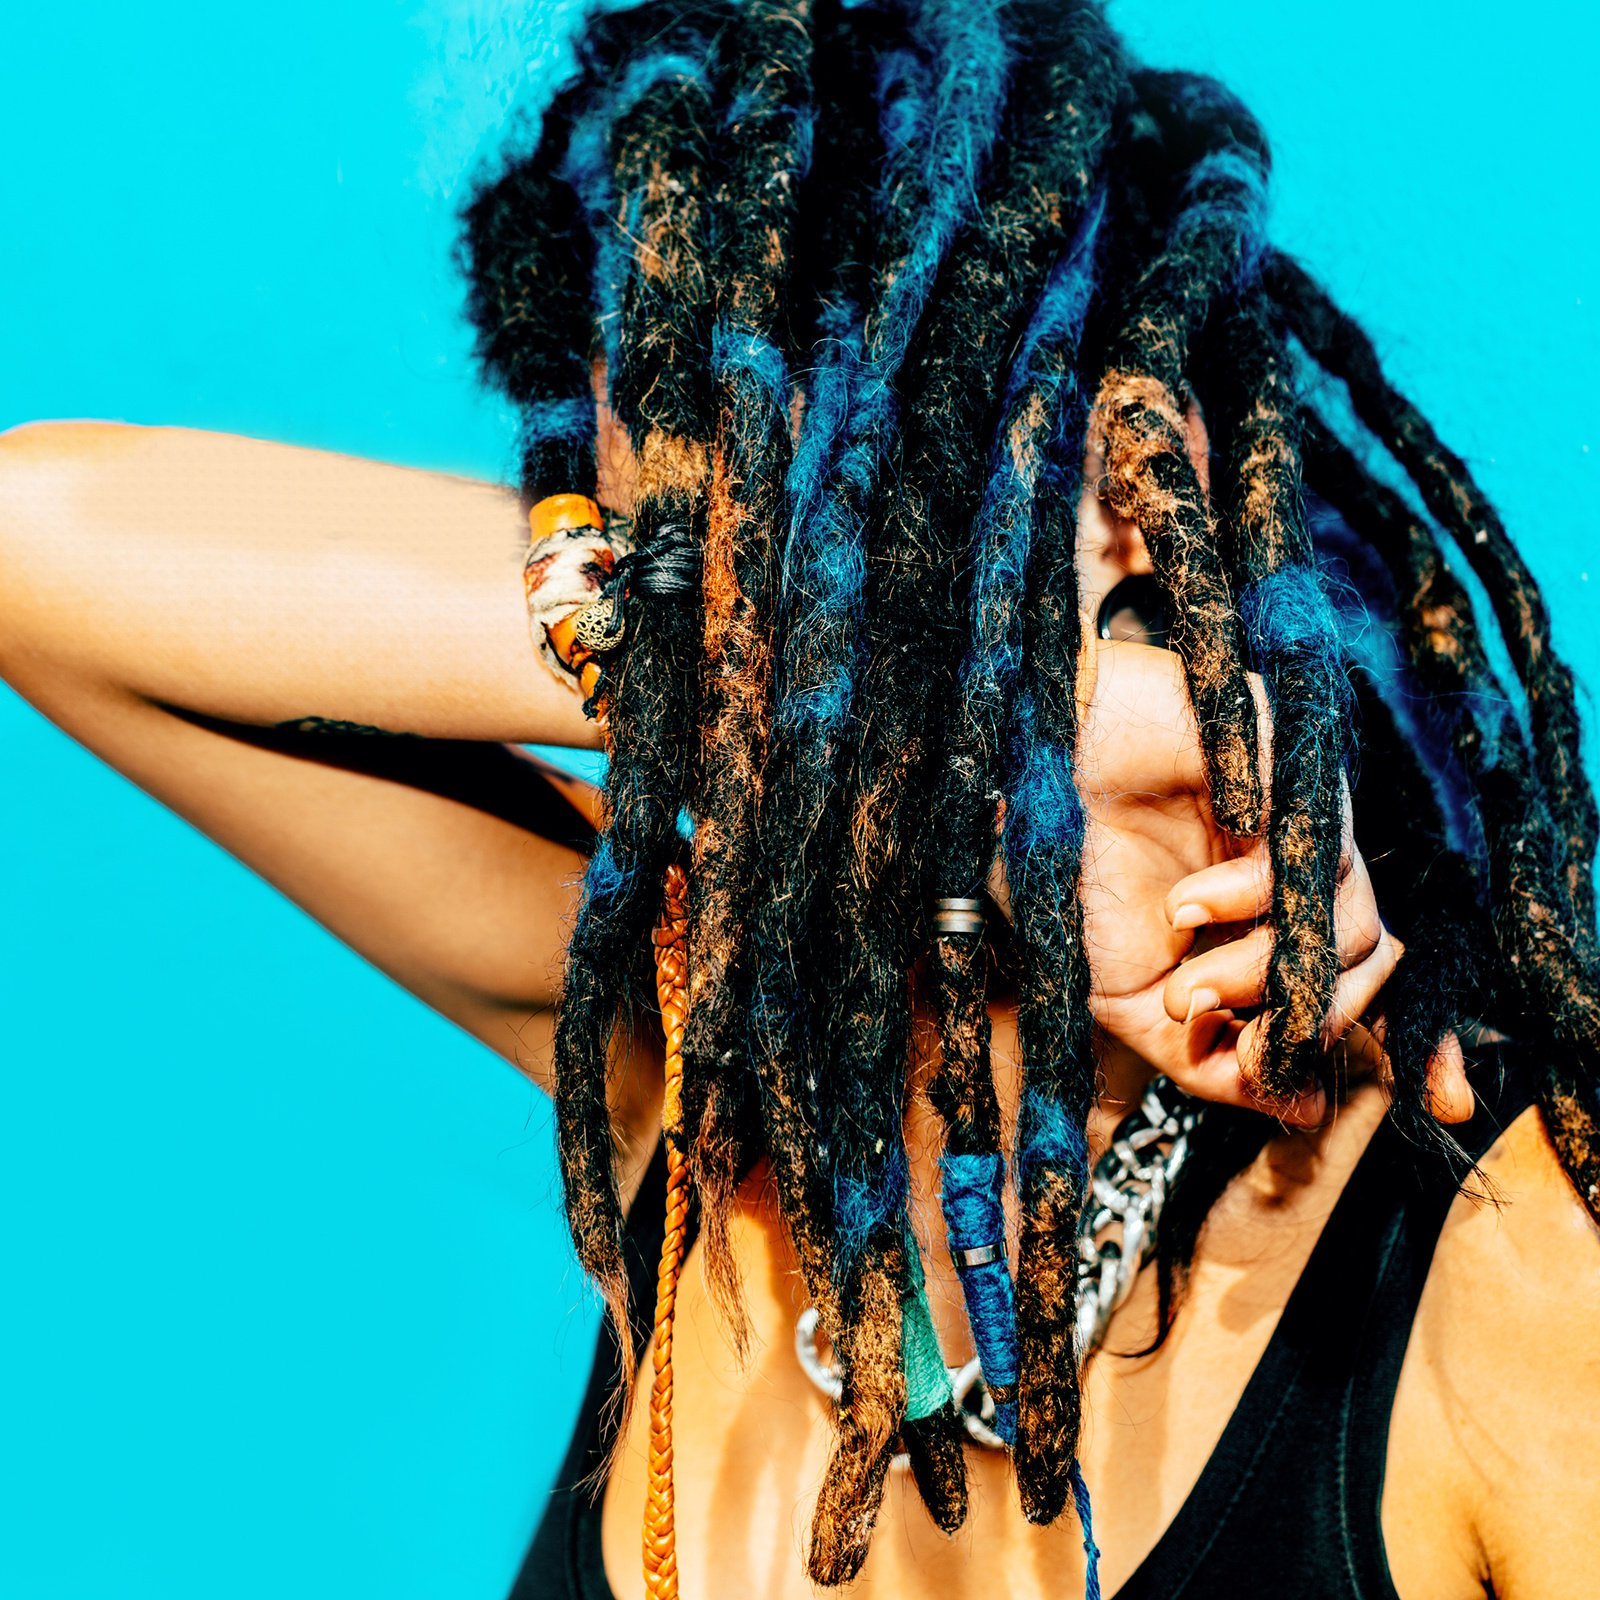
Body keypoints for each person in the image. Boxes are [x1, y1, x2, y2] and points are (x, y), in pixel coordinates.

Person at [2, 2, 1598, 1597]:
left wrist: (970, 719)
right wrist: (937, 736)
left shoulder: (1503, 1270)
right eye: (684, 575)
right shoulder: (693, 1088)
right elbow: (39, 542)